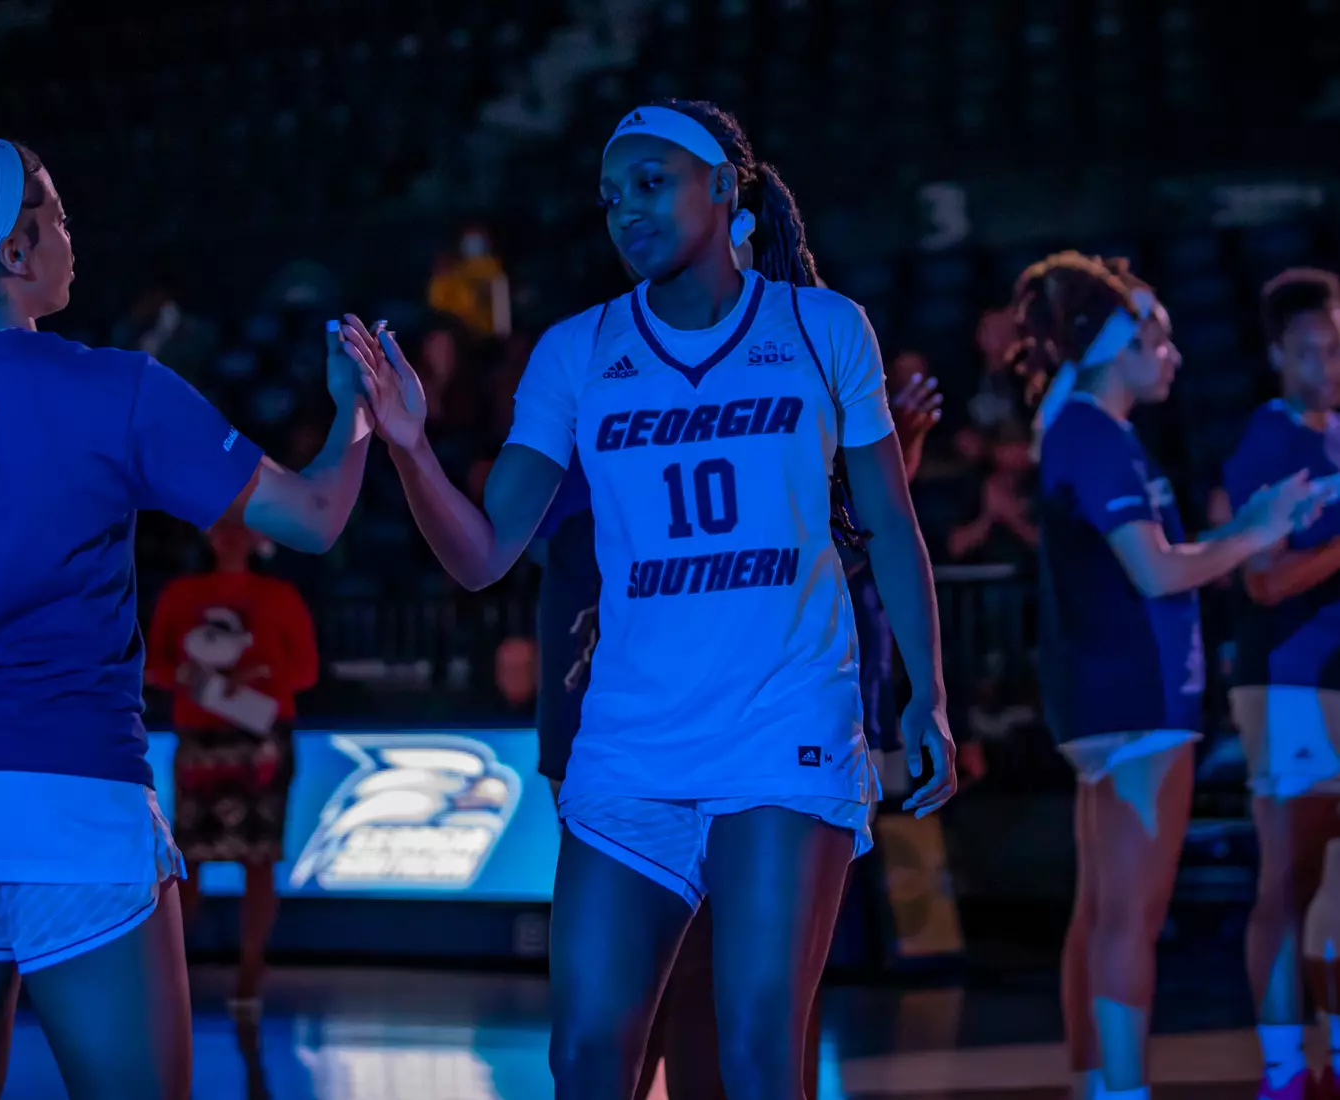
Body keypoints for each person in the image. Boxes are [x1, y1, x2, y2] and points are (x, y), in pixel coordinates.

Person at [0, 134, 380, 1100]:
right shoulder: (119, 390)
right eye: (55, 209)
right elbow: (315, 517)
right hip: (71, 815)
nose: (71, 234)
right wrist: (356, 416)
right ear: (12, 251)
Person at [355, 99, 958, 1099]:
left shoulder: (822, 327)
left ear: (726, 186)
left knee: (759, 1050)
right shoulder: (576, 352)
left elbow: (889, 524)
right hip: (631, 739)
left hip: (782, 726)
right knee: (586, 1054)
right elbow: (480, 554)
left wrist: (926, 693)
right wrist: (412, 449)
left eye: (652, 183)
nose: (626, 211)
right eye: (609, 197)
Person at [1012, 251, 1320, 1100]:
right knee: (1130, 919)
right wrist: (1257, 535)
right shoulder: (1094, 434)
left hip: (1109, 699)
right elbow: (1155, 572)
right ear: (1120, 346)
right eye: (1161, 341)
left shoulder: (1085, 429)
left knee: (1100, 912)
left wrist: (1248, 528)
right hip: (1139, 699)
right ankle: (1120, 1089)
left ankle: (1095, 1082)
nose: (1176, 356)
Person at [1223, 268, 1340, 1100]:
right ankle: (1280, 1066)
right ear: (1277, 357)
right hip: (1288, 683)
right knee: (1289, 878)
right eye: (1313, 351)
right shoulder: (1267, 441)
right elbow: (1262, 580)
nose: (1330, 364)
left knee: (1338, 886)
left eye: (1338, 348)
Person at [145, 516, 318, 1015]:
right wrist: (192, 677)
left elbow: (305, 670)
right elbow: (154, 663)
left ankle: (250, 967)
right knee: (189, 858)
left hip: (261, 738)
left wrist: (256, 674)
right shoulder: (181, 595)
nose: (230, 536)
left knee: (259, 856)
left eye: (241, 528)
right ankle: (172, 970)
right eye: (221, 528)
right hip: (201, 738)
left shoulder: (280, 596)